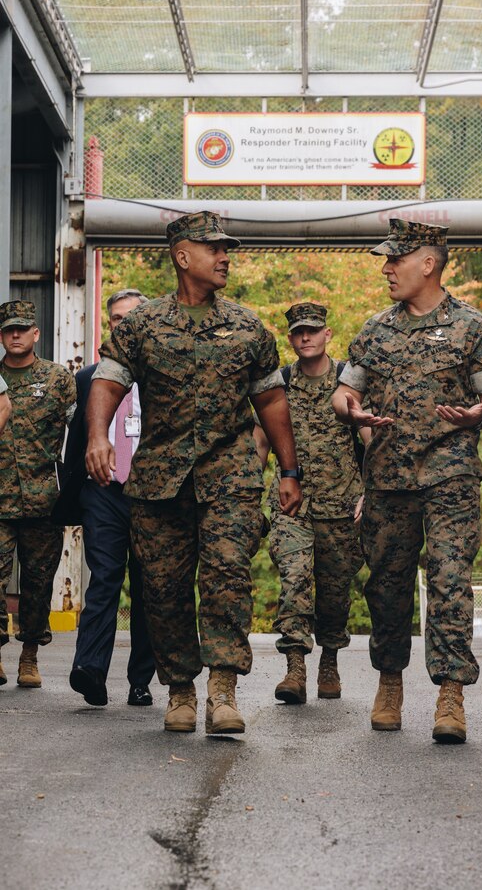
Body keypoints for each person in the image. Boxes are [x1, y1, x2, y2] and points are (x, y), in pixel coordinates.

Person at [85, 211, 302, 735]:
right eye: (215, 249)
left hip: (230, 474)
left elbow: (272, 402)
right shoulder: (141, 326)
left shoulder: (249, 327)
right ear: (183, 256)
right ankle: (180, 688)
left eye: (227, 248)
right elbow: (108, 382)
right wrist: (96, 435)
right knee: (164, 588)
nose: (226, 257)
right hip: (160, 477)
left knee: (228, 574)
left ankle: (222, 689)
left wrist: (290, 470)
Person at [332, 219, 482, 743]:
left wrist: (479, 413)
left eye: (396, 260)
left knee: (450, 579)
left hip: (450, 472)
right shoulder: (374, 329)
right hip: (387, 477)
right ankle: (390, 681)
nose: (387, 269)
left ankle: (450, 693)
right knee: (386, 586)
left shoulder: (472, 327)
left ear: (427, 264)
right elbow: (344, 393)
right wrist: (353, 412)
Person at [254, 302, 368, 704]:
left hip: (342, 506)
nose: (305, 337)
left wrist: (370, 491)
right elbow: (261, 440)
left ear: (327, 335)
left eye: (312, 331)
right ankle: (295, 668)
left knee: (335, 594)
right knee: (294, 581)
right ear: (290, 338)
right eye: (298, 332)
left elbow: (370, 438)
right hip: (292, 507)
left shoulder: (348, 382)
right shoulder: (280, 383)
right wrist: (248, 491)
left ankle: (330, 659)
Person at [53, 289, 156, 708]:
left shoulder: (164, 379)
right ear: (109, 325)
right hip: (104, 491)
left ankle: (140, 681)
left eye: (132, 317)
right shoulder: (88, 378)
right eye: (116, 318)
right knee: (104, 579)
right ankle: (90, 670)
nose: (123, 325)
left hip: (154, 495)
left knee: (149, 588)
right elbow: (72, 444)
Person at [0, 300, 76, 689]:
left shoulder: (57, 379)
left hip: (43, 499)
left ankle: (29, 655)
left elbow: (77, 431)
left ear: (35, 333)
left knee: (38, 579)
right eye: (8, 330)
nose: (15, 335)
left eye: (21, 329)